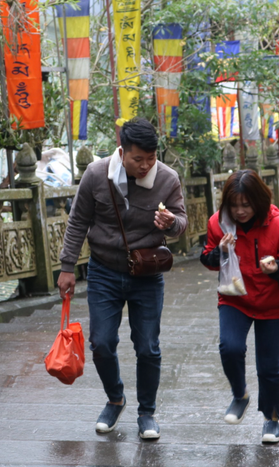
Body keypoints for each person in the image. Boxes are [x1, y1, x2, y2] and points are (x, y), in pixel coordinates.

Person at [58, 118, 187, 441]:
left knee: (147, 347)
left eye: (151, 158)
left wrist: (171, 223)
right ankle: (115, 399)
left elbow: (182, 222)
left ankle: (147, 412)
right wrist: (67, 266)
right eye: (138, 159)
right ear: (122, 151)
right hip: (104, 270)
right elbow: (78, 222)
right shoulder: (96, 175)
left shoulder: (167, 179)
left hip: (146, 272)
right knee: (101, 342)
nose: (145, 166)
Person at [200, 170, 279, 444]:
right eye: (234, 205)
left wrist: (277, 268)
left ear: (259, 201)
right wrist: (220, 251)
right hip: (235, 299)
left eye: (246, 205)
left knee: (268, 367)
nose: (240, 211)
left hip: (271, 304)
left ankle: (271, 419)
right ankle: (240, 394)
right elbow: (206, 258)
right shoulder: (218, 223)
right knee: (230, 347)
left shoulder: (278, 224)